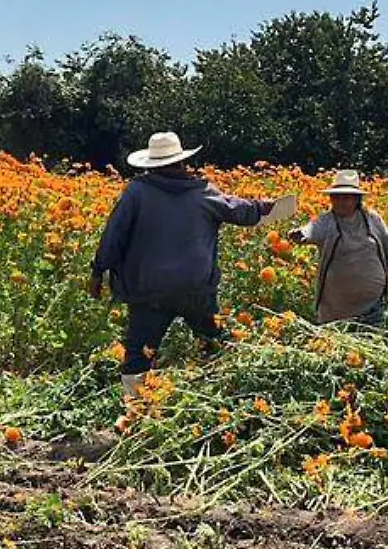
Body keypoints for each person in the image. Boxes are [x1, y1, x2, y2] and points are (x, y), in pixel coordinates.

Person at [90, 131, 296, 400]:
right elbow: (243, 211)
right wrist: (278, 207)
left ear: (151, 165)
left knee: (138, 354)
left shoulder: (137, 192)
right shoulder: (202, 193)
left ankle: (135, 413)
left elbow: (114, 235)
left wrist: (98, 270)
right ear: (182, 162)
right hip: (195, 289)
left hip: (148, 290)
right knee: (214, 343)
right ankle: (223, 399)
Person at [288, 170, 388, 327]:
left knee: (370, 346)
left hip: (373, 305)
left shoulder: (372, 218)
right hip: (337, 308)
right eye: (336, 197)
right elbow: (311, 229)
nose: (340, 202)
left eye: (346, 197)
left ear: (357, 199)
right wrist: (301, 234)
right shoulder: (327, 221)